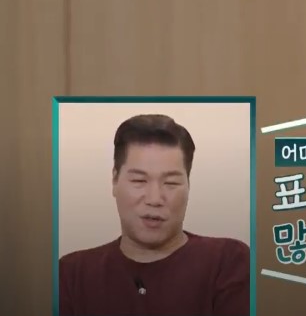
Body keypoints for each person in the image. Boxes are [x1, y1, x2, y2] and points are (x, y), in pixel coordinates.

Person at [58, 114, 250, 316]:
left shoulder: (228, 261)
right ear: (115, 181)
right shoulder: (72, 274)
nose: (154, 198)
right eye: (139, 181)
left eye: (171, 183)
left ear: (188, 185)